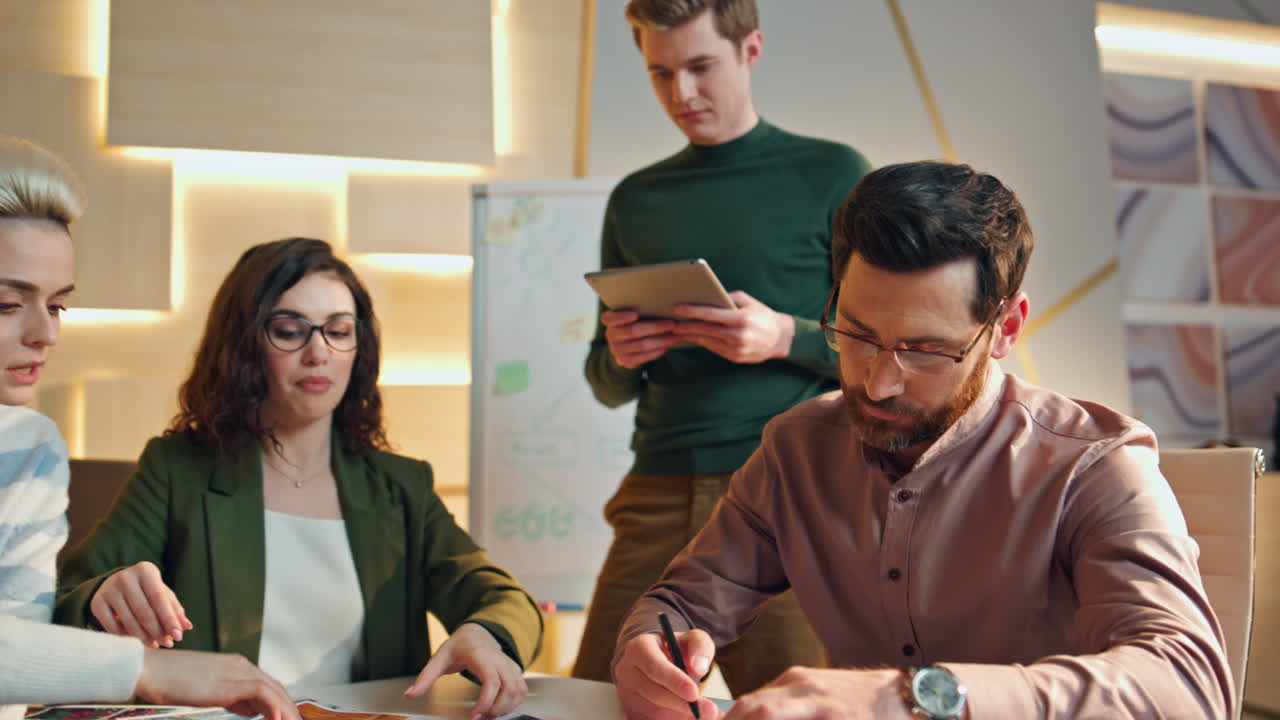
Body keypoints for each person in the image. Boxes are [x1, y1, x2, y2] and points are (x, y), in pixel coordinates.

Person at [612, 161, 1234, 719]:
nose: (880, 384)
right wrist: (649, 647)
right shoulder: (795, 449)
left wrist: (913, 698)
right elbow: (681, 604)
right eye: (856, 335)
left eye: (926, 351)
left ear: (1006, 327)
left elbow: (1191, 688)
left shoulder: (1093, 465)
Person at [55, 237, 542, 719]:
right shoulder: (177, 470)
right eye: (290, 331)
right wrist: (102, 597)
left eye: (339, 330)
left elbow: (503, 598)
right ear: (244, 345)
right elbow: (64, 605)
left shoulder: (400, 486)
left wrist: (486, 634)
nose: (319, 352)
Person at [574, 0, 872, 694]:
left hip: (789, 489)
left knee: (795, 705)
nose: (682, 93)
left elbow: (887, 348)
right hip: (656, 487)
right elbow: (606, 383)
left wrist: (783, 336)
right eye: (660, 72)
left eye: (701, 66)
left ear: (751, 51)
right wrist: (623, 353)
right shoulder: (635, 200)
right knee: (594, 699)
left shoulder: (832, 174)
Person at [0, 136, 298, 720]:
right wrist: (147, 668)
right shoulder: (175, 463)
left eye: (57, 306)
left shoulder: (33, 448)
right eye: (7, 305)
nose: (46, 334)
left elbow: (17, 661)